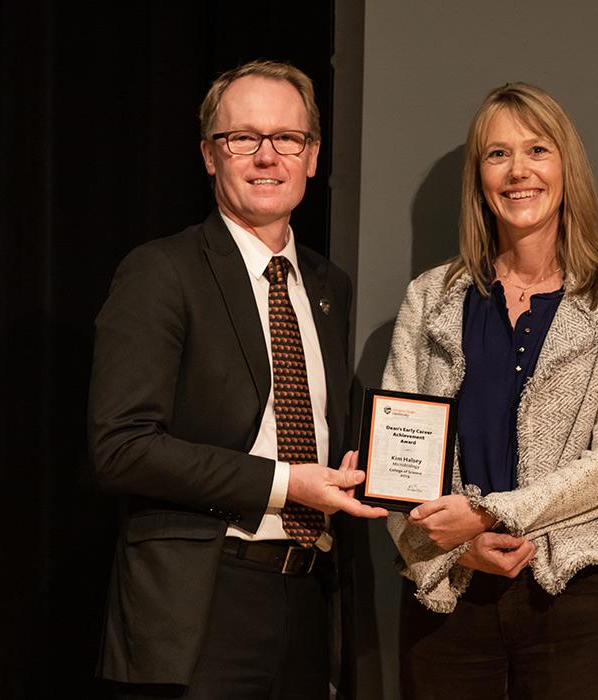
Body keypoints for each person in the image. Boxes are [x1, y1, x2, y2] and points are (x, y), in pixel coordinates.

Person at [89, 60, 386, 699]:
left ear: (313, 157)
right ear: (208, 155)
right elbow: (121, 448)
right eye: (241, 138)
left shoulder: (328, 284)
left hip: (309, 595)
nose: (265, 157)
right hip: (202, 604)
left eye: (287, 139)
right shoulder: (161, 272)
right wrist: (286, 484)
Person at [381, 82, 598, 698]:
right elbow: (397, 469)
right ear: (478, 177)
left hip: (572, 597)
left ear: (566, 168)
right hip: (450, 595)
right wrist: (454, 548)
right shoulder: (431, 297)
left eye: (537, 150)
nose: (518, 171)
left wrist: (489, 514)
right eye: (497, 154)